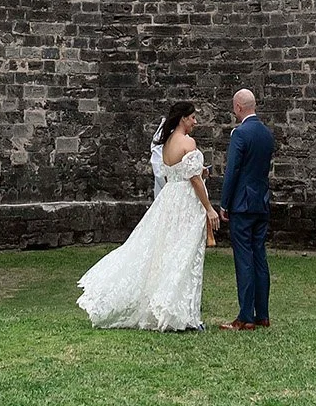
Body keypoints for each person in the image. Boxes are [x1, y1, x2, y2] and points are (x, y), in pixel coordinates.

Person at [78, 100, 219, 331]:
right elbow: (194, 179)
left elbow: (175, 173)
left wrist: (197, 173)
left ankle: (172, 310)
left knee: (166, 252)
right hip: (184, 203)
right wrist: (209, 208)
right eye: (193, 117)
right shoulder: (188, 142)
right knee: (185, 254)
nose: (195, 122)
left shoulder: (167, 143)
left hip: (169, 199)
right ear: (183, 118)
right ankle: (182, 313)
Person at [218, 87, 274, 330]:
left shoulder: (240, 134)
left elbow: (233, 172)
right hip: (261, 201)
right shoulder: (267, 134)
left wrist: (224, 203)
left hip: (242, 203)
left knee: (244, 259)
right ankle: (262, 313)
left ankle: (245, 317)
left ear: (238, 108)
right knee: (259, 256)